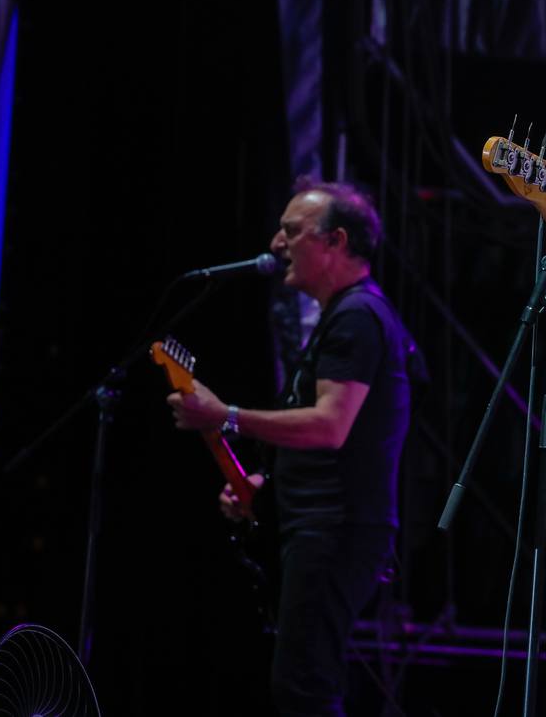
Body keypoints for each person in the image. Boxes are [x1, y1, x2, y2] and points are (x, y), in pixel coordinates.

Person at [171, 179, 413, 717]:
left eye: (291, 231)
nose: (277, 244)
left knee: (303, 688)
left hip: (336, 528)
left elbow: (330, 427)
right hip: (318, 523)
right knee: (303, 682)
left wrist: (225, 416)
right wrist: (264, 488)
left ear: (335, 242)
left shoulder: (357, 317)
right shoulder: (343, 317)